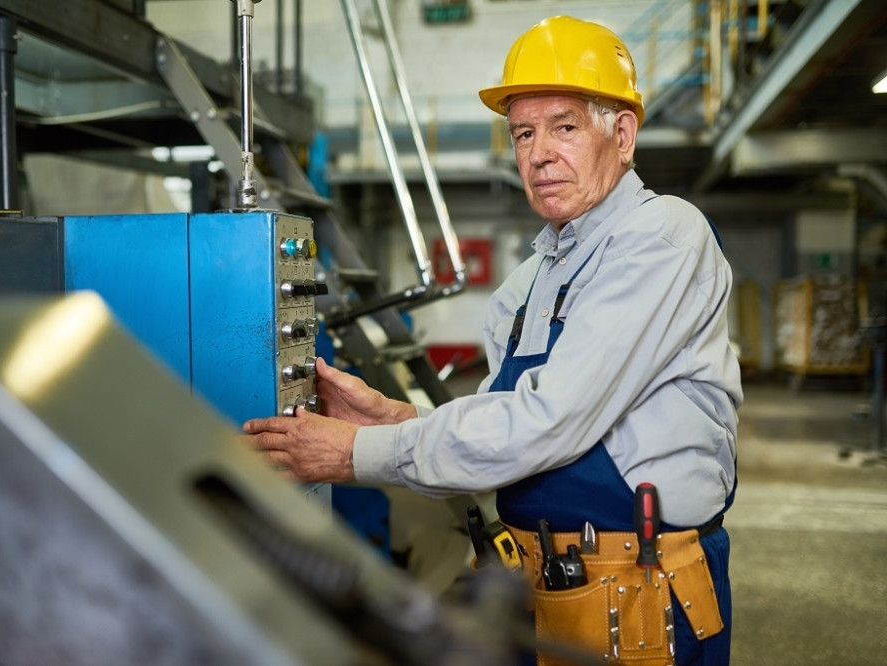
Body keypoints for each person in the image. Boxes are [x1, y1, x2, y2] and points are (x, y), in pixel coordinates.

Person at [244, 15, 741, 666]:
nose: (539, 154)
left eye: (564, 127)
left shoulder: (663, 238)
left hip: (643, 597)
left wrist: (354, 453)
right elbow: (504, 426)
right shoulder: (529, 282)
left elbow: (547, 423)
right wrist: (400, 420)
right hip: (542, 586)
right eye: (524, 133)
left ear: (622, 135)